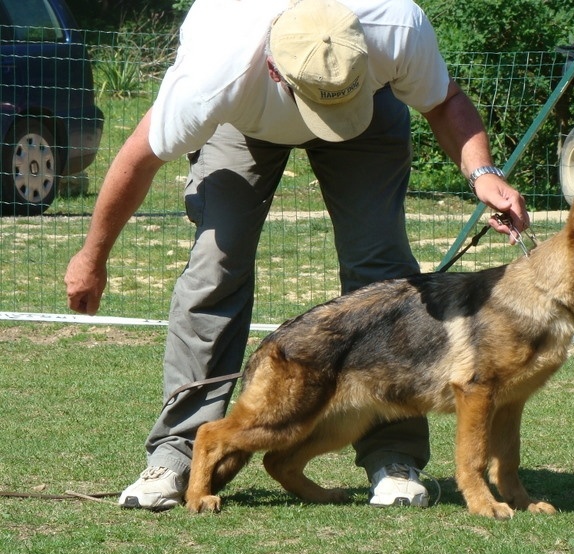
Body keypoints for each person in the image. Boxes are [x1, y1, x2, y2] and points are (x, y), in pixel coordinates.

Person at [64, 0, 529, 511]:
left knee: (384, 272)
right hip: (242, 119)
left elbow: (444, 102)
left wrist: (483, 176)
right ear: (273, 68)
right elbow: (137, 157)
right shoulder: (217, 66)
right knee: (216, 266)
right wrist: (93, 256)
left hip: (369, 114)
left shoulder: (395, 24)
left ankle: (393, 457)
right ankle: (177, 453)